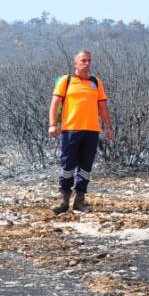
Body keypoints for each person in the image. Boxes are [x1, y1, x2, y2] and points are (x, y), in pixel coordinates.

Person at [47, 50, 113, 214]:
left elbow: (103, 107)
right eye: (83, 60)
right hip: (71, 129)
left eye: (89, 60)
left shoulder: (96, 82)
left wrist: (108, 126)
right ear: (75, 63)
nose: (87, 63)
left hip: (91, 131)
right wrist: (53, 124)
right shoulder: (66, 81)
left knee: (85, 166)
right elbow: (55, 104)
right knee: (68, 165)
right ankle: (64, 201)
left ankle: (79, 201)